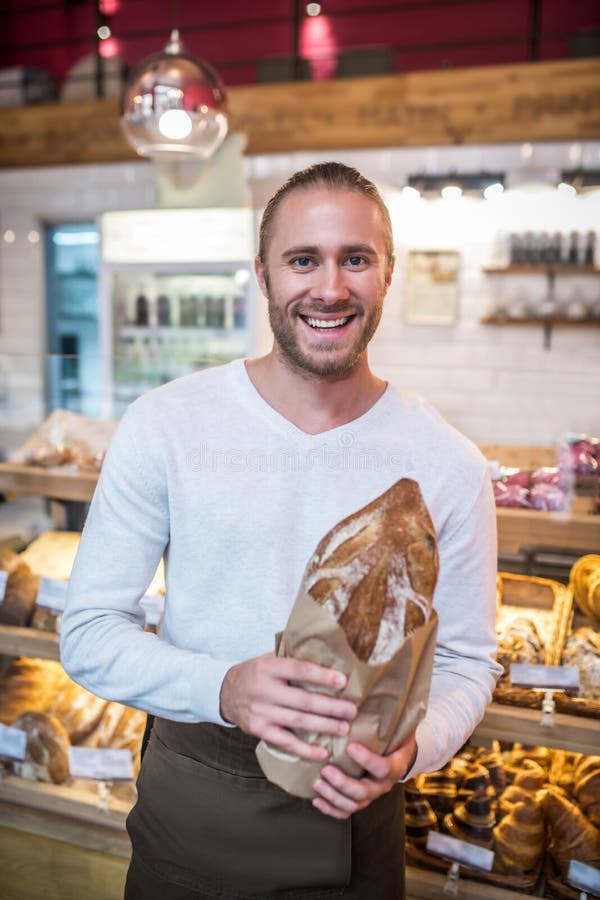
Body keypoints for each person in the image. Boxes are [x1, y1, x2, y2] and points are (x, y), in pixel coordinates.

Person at [61, 162, 501, 900]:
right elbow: (90, 630)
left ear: (387, 273)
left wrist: (410, 751)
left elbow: (466, 661)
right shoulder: (169, 424)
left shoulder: (447, 462)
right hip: (192, 807)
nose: (329, 288)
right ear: (262, 275)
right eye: (304, 259)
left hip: (358, 820)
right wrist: (222, 687)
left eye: (354, 259)